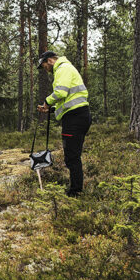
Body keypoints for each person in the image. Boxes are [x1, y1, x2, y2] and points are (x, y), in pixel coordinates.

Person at [37, 51, 92, 197]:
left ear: (49, 60)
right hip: (76, 115)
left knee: (72, 157)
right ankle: (76, 189)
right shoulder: (64, 69)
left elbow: (60, 93)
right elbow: (67, 100)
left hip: (75, 118)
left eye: (44, 66)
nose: (45, 69)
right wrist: (51, 109)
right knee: (73, 155)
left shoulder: (63, 68)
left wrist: (47, 102)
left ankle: (75, 192)